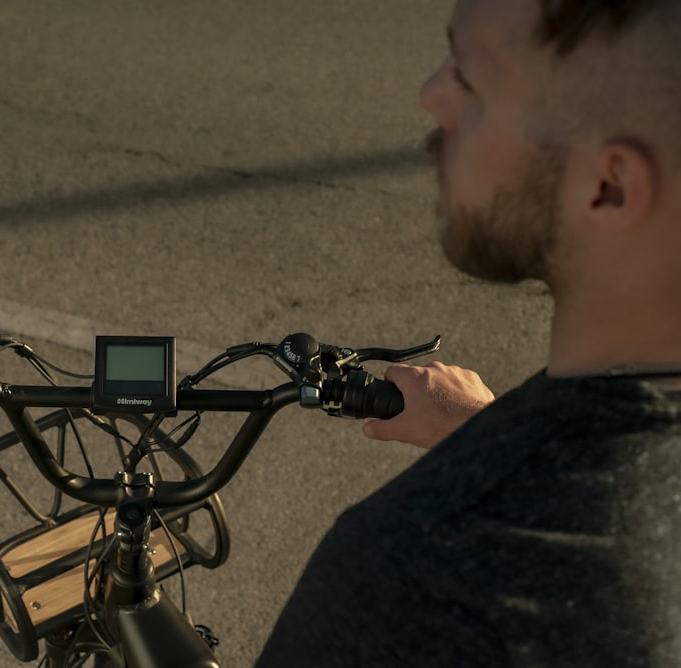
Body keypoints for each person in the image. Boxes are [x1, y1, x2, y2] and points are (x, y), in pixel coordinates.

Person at [255, 0, 681, 665]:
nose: (432, 95)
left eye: (471, 79)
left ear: (609, 187)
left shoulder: (424, 574)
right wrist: (492, 435)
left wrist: (499, 475)